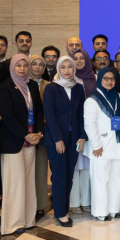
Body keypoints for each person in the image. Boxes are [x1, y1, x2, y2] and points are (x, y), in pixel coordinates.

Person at [0, 55, 44, 233]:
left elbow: (38, 110)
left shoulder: (32, 85)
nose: (22, 69)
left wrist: (38, 133)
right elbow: (7, 115)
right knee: (15, 183)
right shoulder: (5, 87)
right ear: (12, 67)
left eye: (25, 65)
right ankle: (14, 223)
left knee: (28, 181)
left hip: (31, 139)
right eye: (19, 66)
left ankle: (28, 219)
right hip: (13, 140)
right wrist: (25, 134)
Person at [43, 56, 86, 227]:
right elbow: (50, 116)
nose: (67, 70)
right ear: (58, 69)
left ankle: (63, 208)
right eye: (63, 67)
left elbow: (82, 114)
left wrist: (82, 136)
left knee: (68, 176)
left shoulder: (78, 88)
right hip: (56, 141)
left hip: (74, 139)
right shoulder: (51, 88)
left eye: (70, 67)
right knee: (59, 176)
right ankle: (61, 213)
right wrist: (58, 139)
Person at [84, 68, 120, 221]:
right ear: (99, 80)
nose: (109, 81)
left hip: (116, 143)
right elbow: (89, 124)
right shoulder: (92, 100)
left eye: (112, 78)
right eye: (106, 78)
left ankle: (113, 209)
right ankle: (101, 212)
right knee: (100, 179)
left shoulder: (117, 96)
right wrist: (96, 145)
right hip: (100, 146)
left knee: (116, 177)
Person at [29, 55, 52, 219]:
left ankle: (40, 204)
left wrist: (40, 129)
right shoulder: (22, 84)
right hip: (25, 133)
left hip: (43, 133)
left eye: (41, 65)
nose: (37, 67)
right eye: (34, 64)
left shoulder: (49, 86)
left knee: (40, 170)